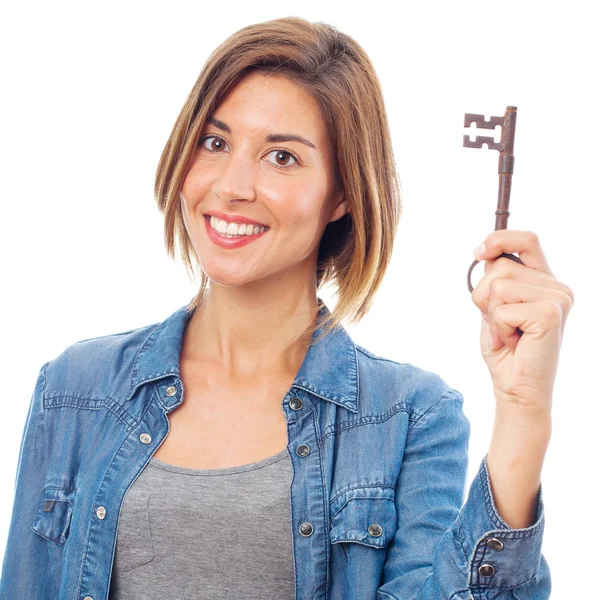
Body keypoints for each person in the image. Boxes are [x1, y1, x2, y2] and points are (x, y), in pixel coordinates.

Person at [0, 16, 572, 600]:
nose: (232, 185)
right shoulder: (74, 390)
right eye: (215, 143)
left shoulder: (410, 418)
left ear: (343, 194)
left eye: (282, 158)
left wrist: (523, 414)